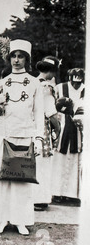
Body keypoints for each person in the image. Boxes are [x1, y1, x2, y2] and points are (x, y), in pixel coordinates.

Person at [0, 39, 44, 236]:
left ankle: (20, 220)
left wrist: (39, 138)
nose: (16, 60)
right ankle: (1, 218)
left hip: (24, 135)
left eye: (20, 56)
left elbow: (39, 113)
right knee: (1, 180)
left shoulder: (35, 83)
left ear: (27, 59)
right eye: (13, 56)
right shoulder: (0, 83)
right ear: (9, 59)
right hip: (2, 135)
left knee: (21, 180)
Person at [52, 68, 85, 204]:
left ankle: (73, 194)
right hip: (62, 128)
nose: (75, 83)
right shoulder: (60, 88)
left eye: (79, 79)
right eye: (73, 78)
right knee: (59, 160)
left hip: (80, 130)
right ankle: (57, 192)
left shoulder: (86, 89)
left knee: (76, 161)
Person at [33, 56, 61, 211]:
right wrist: (58, 127)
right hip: (42, 128)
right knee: (43, 164)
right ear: (51, 72)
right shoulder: (47, 88)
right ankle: (40, 198)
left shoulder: (32, 83)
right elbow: (50, 113)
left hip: (31, 127)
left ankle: (32, 197)